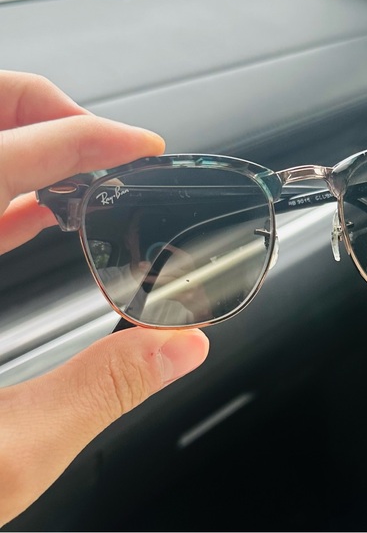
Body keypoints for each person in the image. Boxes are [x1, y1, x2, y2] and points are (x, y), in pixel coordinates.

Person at [0, 70, 210, 527]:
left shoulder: (176, 304)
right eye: (147, 239)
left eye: (168, 243)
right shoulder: (114, 284)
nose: (157, 254)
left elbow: (195, 317)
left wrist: (194, 295)